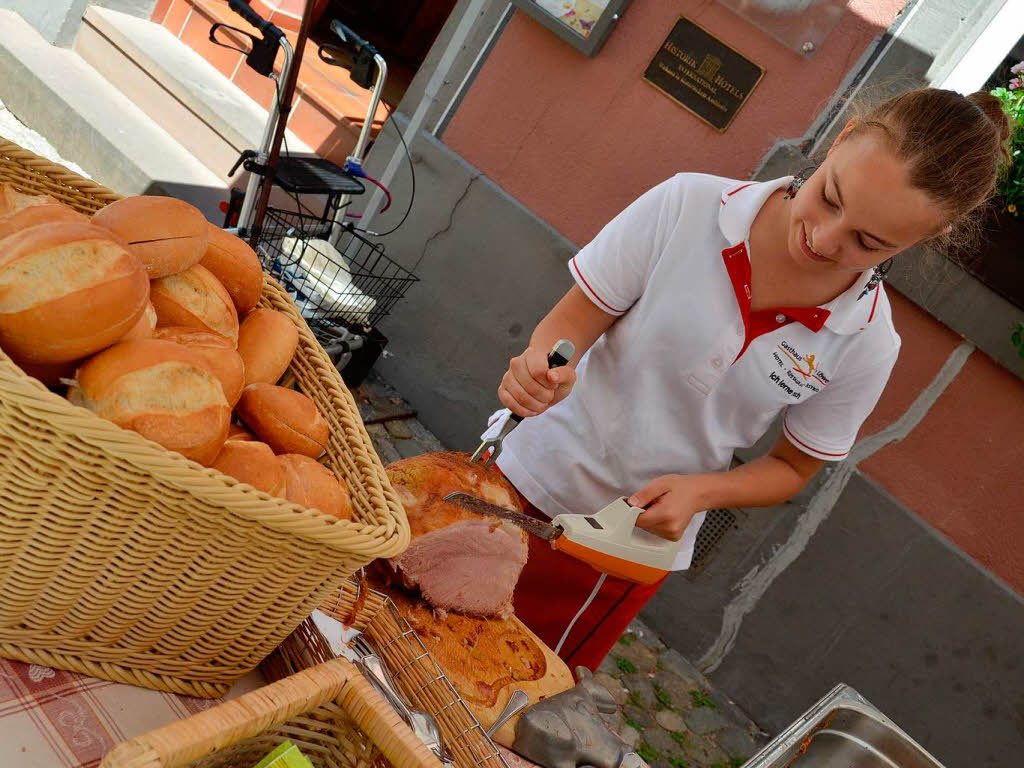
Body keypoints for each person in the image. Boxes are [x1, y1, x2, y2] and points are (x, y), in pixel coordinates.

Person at [488, 88, 1011, 671]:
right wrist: (544, 367)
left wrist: (702, 491)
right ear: (839, 141)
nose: (826, 240)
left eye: (869, 243)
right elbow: (577, 319)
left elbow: (792, 467)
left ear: (923, 241)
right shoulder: (688, 204)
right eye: (830, 197)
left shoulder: (868, 343)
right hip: (523, 475)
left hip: (624, 548)